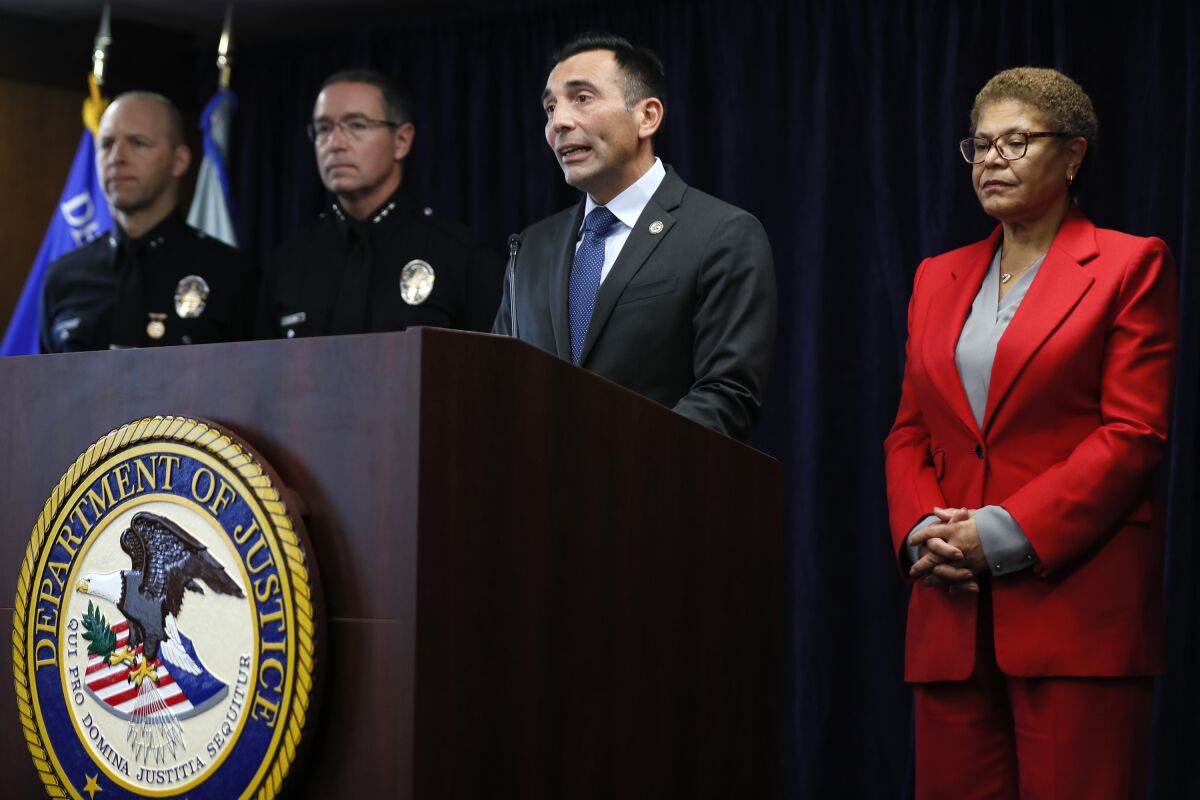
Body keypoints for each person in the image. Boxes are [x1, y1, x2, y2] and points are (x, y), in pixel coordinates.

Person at [884, 67, 1178, 798]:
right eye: (980, 146)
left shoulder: (1129, 264)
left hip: (1075, 609)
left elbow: (1132, 435)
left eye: (1016, 142)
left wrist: (1004, 532)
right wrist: (925, 530)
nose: (991, 160)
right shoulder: (936, 276)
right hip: (950, 612)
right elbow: (910, 431)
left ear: (1073, 155)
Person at [492, 32, 776, 441]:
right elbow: (498, 386)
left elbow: (726, 396)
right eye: (550, 108)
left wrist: (607, 468)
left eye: (582, 98)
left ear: (648, 116)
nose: (559, 123)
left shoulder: (721, 234)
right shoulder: (531, 248)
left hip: (655, 493)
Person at [257, 69, 502, 339]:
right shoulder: (288, 266)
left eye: (357, 125)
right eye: (324, 128)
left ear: (402, 140)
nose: (335, 143)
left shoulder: (462, 256)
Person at [40, 92, 258, 352]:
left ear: (179, 161)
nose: (116, 157)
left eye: (138, 143)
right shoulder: (63, 278)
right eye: (106, 144)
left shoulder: (232, 275)